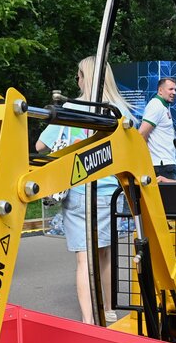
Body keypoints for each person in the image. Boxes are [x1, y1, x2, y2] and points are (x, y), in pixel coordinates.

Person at [36, 56, 136, 324]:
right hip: (109, 192)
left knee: (84, 260)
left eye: (78, 75)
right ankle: (109, 308)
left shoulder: (70, 108)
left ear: (84, 77)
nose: (76, 80)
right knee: (105, 254)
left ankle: (88, 319)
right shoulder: (119, 110)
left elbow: (40, 146)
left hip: (79, 190)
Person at [139, 77, 176, 180]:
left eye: (175, 89)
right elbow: (142, 133)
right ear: (160, 90)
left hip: (164, 164)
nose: (174, 92)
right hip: (161, 165)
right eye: (170, 89)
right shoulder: (156, 105)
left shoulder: (162, 106)